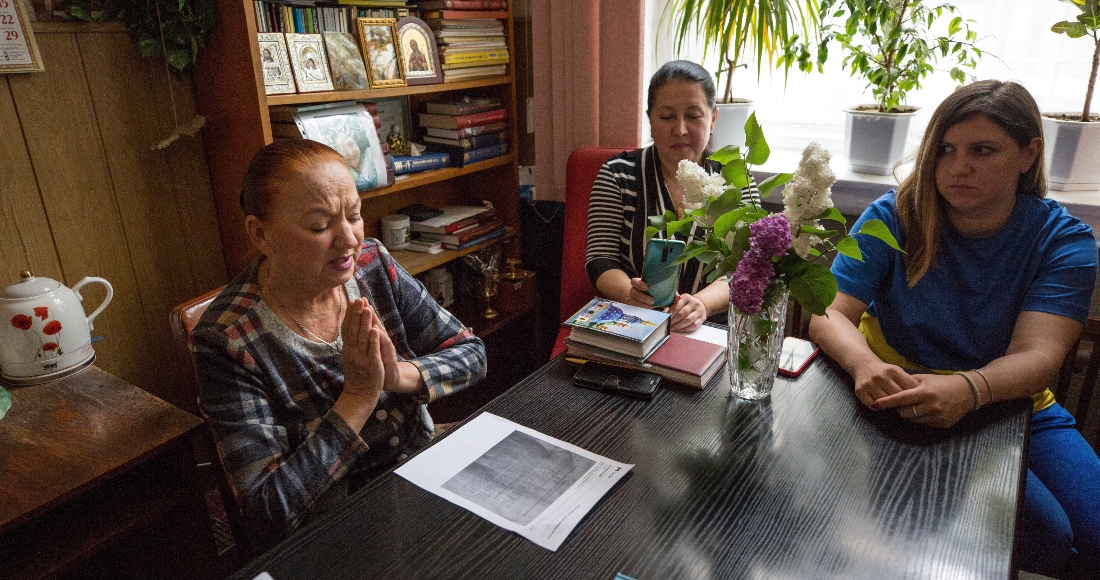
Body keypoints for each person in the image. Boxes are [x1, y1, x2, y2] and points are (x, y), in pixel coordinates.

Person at [807, 80, 1100, 579]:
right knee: (1044, 536)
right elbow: (827, 311)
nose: (957, 167)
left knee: (1092, 536)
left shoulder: (1064, 241)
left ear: (1028, 154)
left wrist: (970, 389)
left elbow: (1040, 357)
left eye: (982, 151)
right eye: (944, 149)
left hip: (1008, 403)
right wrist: (867, 366)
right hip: (891, 392)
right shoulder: (895, 215)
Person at [191, 140, 487, 549]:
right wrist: (360, 396)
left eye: (354, 215)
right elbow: (265, 512)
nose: (348, 239)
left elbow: (471, 353)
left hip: (420, 472)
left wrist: (399, 375)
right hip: (332, 530)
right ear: (260, 233)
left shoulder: (372, 264)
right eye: (319, 226)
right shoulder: (226, 340)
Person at [585, 60, 760, 333]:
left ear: (713, 119)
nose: (680, 129)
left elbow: (749, 265)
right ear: (650, 120)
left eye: (693, 116)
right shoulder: (618, 175)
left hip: (711, 329)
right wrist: (632, 297)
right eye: (666, 117)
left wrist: (700, 305)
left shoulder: (737, 180)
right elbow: (600, 259)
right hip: (634, 323)